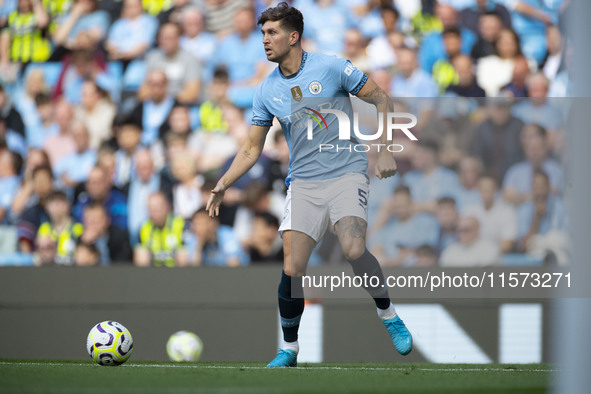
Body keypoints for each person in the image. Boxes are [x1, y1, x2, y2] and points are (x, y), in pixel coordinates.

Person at [206, 2, 412, 368]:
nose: (265, 41)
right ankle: (289, 349)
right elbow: (252, 147)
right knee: (292, 267)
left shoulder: (331, 67)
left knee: (352, 248)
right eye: (262, 33)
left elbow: (381, 98)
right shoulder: (266, 90)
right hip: (303, 182)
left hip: (347, 171)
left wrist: (384, 151)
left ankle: (389, 314)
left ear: (293, 36)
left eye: (272, 33)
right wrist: (223, 182)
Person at [135, 191, 187, 267]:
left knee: (182, 253)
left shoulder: (180, 225)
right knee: (141, 252)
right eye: (150, 210)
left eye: (156, 210)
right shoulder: (144, 227)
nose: (153, 214)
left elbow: (187, 253)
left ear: (166, 208)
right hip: (153, 272)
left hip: (175, 271)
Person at [36, 190, 83, 265]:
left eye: (60, 203)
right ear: (47, 207)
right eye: (53, 204)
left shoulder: (78, 228)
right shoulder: (44, 228)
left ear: (68, 205)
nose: (56, 207)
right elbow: (39, 255)